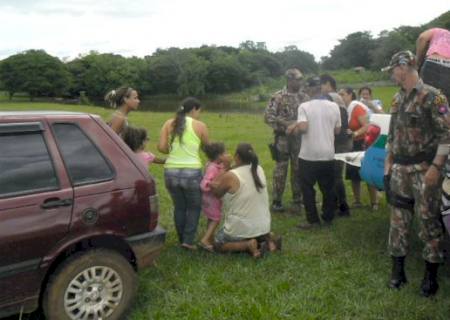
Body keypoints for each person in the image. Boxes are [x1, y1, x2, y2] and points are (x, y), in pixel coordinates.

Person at [382, 50, 450, 297]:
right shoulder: (397, 99)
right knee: (398, 221)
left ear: (404, 67)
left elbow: (446, 136)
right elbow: (392, 134)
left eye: (392, 70)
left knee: (428, 222)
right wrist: (388, 163)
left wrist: (435, 168)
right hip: (400, 169)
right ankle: (398, 271)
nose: (391, 75)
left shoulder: (433, 97)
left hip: (424, 170)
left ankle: (431, 277)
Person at [287, 77, 341, 229]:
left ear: (310, 90)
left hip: (309, 155)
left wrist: (294, 127)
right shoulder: (334, 106)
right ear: (321, 88)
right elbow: (337, 130)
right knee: (328, 188)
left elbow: (303, 128)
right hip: (328, 154)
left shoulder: (304, 106)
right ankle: (328, 217)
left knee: (308, 189)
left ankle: (313, 221)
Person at [210, 143, 280, 258]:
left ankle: (246, 245)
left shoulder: (231, 175)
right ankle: (268, 240)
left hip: (240, 228)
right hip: (263, 226)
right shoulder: (259, 169)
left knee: (218, 243)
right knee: (255, 229)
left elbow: (216, 193)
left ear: (237, 156)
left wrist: (226, 167)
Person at [158, 97, 209, 251]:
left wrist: (172, 150)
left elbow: (162, 148)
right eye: (199, 111)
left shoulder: (168, 123)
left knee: (179, 206)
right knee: (194, 207)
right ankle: (188, 240)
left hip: (171, 171)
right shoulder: (200, 126)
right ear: (194, 109)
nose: (199, 114)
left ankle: (182, 239)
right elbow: (207, 148)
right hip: (192, 172)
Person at [264, 68, 309, 213]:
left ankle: (298, 199)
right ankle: (277, 201)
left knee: (298, 169)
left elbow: (309, 117)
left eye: (301, 79)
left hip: (300, 139)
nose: (301, 82)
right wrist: (286, 126)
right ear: (289, 80)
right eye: (298, 79)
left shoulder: (305, 97)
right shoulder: (277, 97)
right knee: (280, 169)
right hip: (282, 139)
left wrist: (296, 126)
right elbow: (268, 117)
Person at [338, 87, 379, 210]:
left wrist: (354, 134)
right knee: (353, 173)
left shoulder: (356, 107)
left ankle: (374, 202)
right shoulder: (344, 109)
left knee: (367, 172)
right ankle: (357, 201)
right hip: (351, 144)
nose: (340, 96)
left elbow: (367, 126)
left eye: (343, 94)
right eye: (339, 94)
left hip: (363, 143)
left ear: (350, 95)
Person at [320, 74, 352, 217]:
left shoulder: (330, 97)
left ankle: (343, 207)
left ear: (327, 84)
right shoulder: (337, 97)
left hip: (338, 143)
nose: (319, 88)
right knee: (334, 175)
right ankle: (336, 204)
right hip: (341, 141)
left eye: (321, 84)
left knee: (335, 176)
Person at [199, 142, 230, 252]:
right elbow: (204, 183)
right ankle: (205, 239)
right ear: (219, 155)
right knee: (216, 219)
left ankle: (210, 239)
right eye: (225, 152)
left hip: (211, 199)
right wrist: (210, 184)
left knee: (211, 218)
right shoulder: (212, 167)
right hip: (211, 199)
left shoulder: (215, 165)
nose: (227, 154)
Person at [416, 28, 450, 100]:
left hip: (433, 63)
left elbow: (422, 38)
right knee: (445, 102)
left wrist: (418, 60)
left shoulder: (438, 31)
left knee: (424, 97)